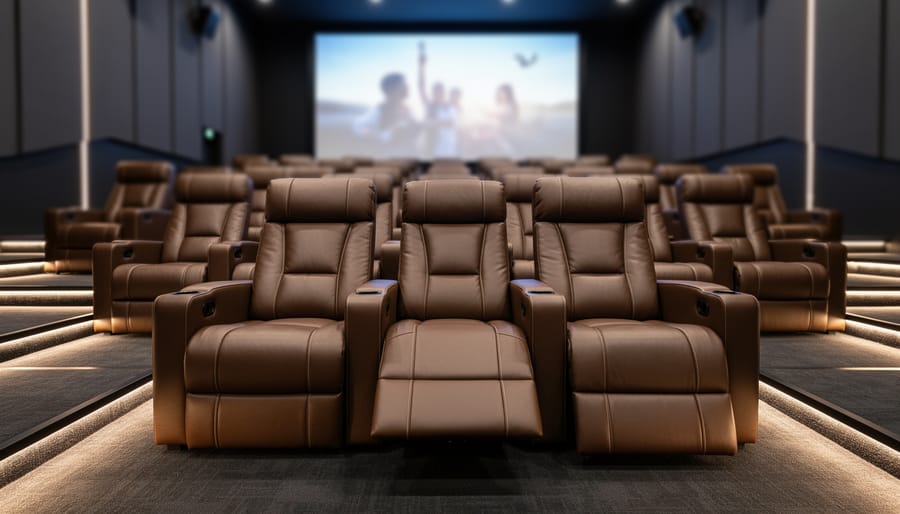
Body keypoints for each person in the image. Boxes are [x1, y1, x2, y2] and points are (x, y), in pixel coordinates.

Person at [353, 72, 418, 154]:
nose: (407, 87)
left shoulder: (407, 109)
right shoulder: (380, 109)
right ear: (392, 90)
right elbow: (359, 128)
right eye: (403, 84)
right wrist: (386, 135)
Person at [418, 42, 460, 158]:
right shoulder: (431, 106)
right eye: (436, 92)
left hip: (450, 150)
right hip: (433, 151)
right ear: (433, 93)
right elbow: (421, 88)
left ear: (444, 93)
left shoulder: (450, 106)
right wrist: (421, 67)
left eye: (440, 92)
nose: (438, 94)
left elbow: (451, 123)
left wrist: (434, 122)